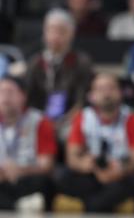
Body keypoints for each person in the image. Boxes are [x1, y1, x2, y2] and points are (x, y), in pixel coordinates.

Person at [58, 73, 134, 212]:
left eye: (111, 88)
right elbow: (72, 158)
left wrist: (117, 171)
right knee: (63, 176)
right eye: (100, 89)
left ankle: (94, 205)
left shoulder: (133, 119)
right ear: (91, 95)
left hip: (121, 175)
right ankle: (99, 203)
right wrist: (87, 165)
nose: (106, 93)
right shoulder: (83, 118)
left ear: (120, 93)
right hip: (92, 175)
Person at [25, 8, 94, 137]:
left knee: (73, 132)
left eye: (62, 31)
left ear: (71, 34)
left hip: (70, 119)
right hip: (38, 118)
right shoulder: (35, 62)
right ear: (44, 33)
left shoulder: (81, 62)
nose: (56, 36)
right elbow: (28, 98)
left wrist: (63, 121)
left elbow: (82, 101)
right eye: (51, 30)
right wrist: (42, 121)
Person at [0, 77, 57, 210]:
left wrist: (20, 170)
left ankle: (12, 205)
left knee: (44, 182)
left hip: (27, 178)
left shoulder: (39, 121)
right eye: (1, 92)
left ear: (23, 96)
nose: (5, 97)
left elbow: (46, 166)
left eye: (10, 92)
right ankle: (19, 206)